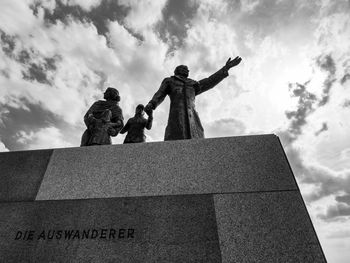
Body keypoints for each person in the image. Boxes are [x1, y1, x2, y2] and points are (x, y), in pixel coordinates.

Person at [144, 56, 242, 141]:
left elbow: (209, 81)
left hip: (192, 116)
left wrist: (226, 68)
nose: (187, 70)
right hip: (177, 115)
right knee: (176, 138)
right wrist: (152, 104)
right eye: (184, 68)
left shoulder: (193, 83)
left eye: (187, 69)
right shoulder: (169, 81)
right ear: (177, 71)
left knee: (196, 138)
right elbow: (160, 94)